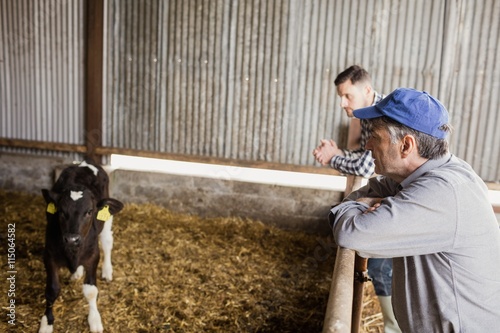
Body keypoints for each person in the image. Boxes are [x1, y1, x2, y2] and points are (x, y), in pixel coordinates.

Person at [329, 88, 500, 332]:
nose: (367, 145)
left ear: (406, 145)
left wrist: (353, 207)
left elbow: (352, 233)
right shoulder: (418, 175)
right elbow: (369, 191)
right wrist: (362, 203)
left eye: (375, 137)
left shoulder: (441, 192)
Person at [313, 65, 400, 333]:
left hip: (402, 193)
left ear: (367, 90)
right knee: (380, 264)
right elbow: (366, 158)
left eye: (347, 96)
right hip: (392, 190)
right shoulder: (365, 117)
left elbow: (366, 167)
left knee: (382, 265)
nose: (342, 103)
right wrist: (340, 154)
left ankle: (392, 326)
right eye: (340, 96)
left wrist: (332, 159)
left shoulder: (380, 116)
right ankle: (391, 323)